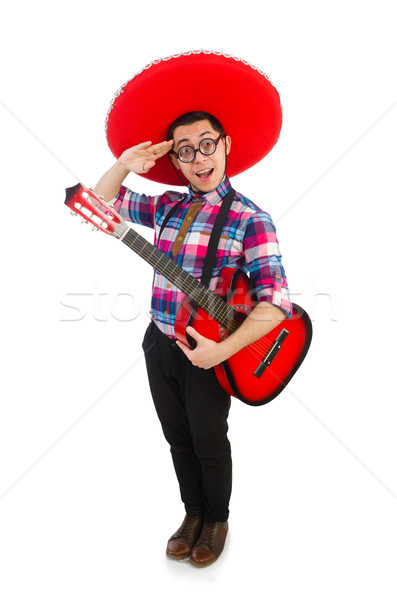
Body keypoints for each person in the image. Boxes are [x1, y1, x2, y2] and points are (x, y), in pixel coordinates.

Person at [93, 52, 292, 568]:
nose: (200, 158)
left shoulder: (252, 219)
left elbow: (276, 306)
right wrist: (122, 165)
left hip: (212, 350)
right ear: (175, 161)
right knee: (176, 437)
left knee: (208, 438)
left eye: (207, 145)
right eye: (186, 151)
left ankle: (217, 519)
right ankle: (191, 513)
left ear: (225, 146)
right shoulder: (166, 206)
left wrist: (220, 351)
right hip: (160, 341)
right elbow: (101, 203)